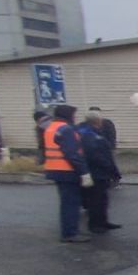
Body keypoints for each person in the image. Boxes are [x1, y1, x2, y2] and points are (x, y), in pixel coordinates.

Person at [42, 104, 93, 243]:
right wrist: (84, 172)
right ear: (68, 115)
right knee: (71, 203)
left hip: (55, 169)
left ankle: (70, 230)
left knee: (66, 202)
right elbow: (73, 153)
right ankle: (70, 233)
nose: (75, 118)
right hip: (67, 170)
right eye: (73, 115)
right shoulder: (66, 129)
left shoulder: (51, 128)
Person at [77, 112, 122, 233]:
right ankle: (95, 225)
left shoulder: (93, 133)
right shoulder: (89, 134)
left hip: (101, 172)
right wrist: (110, 168)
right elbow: (96, 155)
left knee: (102, 199)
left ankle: (103, 221)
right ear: (97, 121)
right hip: (96, 172)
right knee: (95, 200)